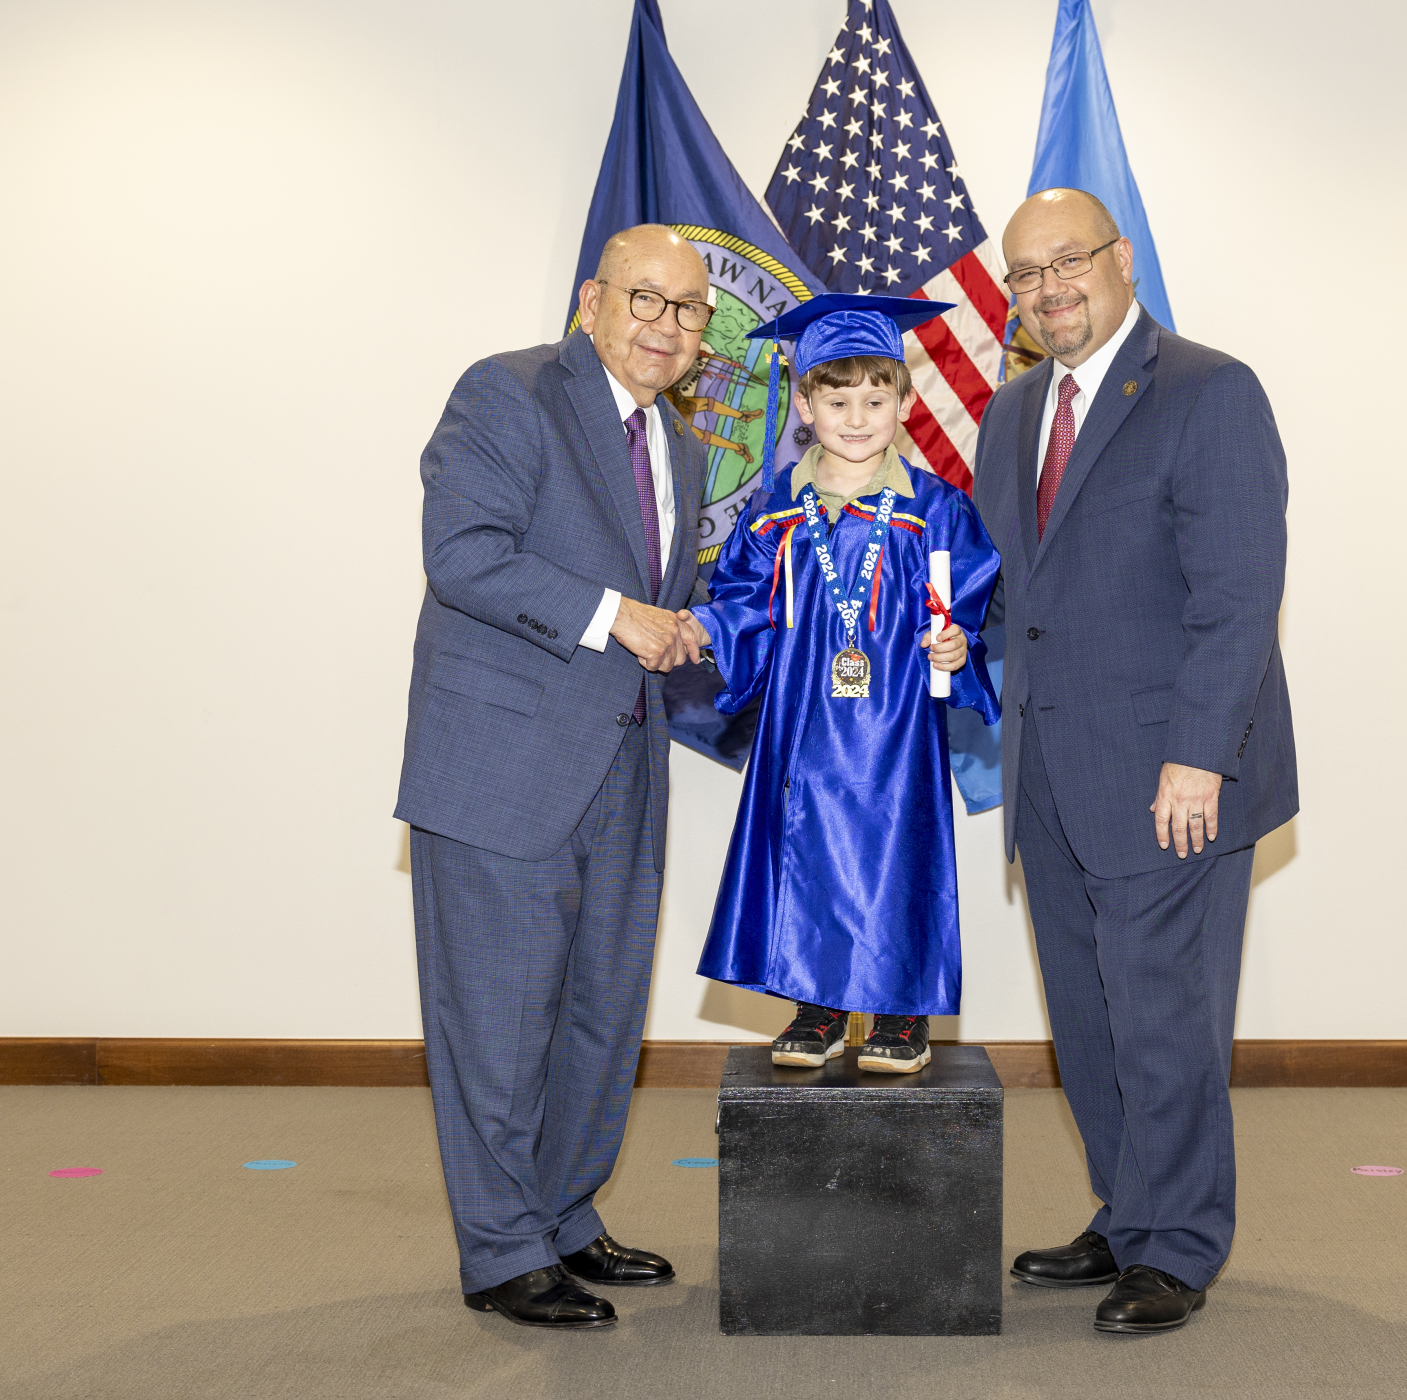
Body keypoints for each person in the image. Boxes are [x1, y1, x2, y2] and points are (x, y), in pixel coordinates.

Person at [972, 190, 1298, 1334]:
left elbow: (1238, 597)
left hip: (1171, 777)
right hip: (1050, 770)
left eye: (1068, 261)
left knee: (1164, 1019)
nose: (1048, 288)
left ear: (1122, 260)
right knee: (1089, 1017)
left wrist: (1199, 758)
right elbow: (1015, 591)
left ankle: (1178, 1243)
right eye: (1024, 273)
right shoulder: (1011, 410)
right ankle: (1127, 1212)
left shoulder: (1210, 389)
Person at [394, 225, 712, 1331]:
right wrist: (615, 614)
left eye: (689, 310)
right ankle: (502, 1249)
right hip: (501, 769)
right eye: (645, 298)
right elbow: (464, 553)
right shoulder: (508, 392)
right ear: (592, 301)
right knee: (497, 1019)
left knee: (600, 1015)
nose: (666, 325)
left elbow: (657, 604)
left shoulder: (683, 447)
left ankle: (565, 1216)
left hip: (626, 765)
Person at [681, 295, 1002, 1075]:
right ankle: (815, 1003)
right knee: (808, 844)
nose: (857, 419)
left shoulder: (934, 510)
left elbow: (966, 607)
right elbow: (742, 604)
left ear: (904, 401)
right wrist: (703, 627)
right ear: (804, 405)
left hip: (897, 722)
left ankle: (900, 1010)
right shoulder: (775, 513)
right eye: (836, 401)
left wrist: (957, 645)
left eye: (875, 400)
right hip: (804, 720)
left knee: (897, 845)